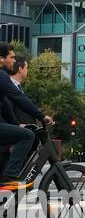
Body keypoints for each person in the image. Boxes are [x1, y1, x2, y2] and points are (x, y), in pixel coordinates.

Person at [0, 44, 50, 193]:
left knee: (22, 134)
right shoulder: (1, 76)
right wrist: (41, 116)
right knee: (28, 136)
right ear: (1, 59)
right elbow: (17, 98)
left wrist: (16, 126)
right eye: (12, 57)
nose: (14, 61)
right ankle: (10, 176)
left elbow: (6, 107)